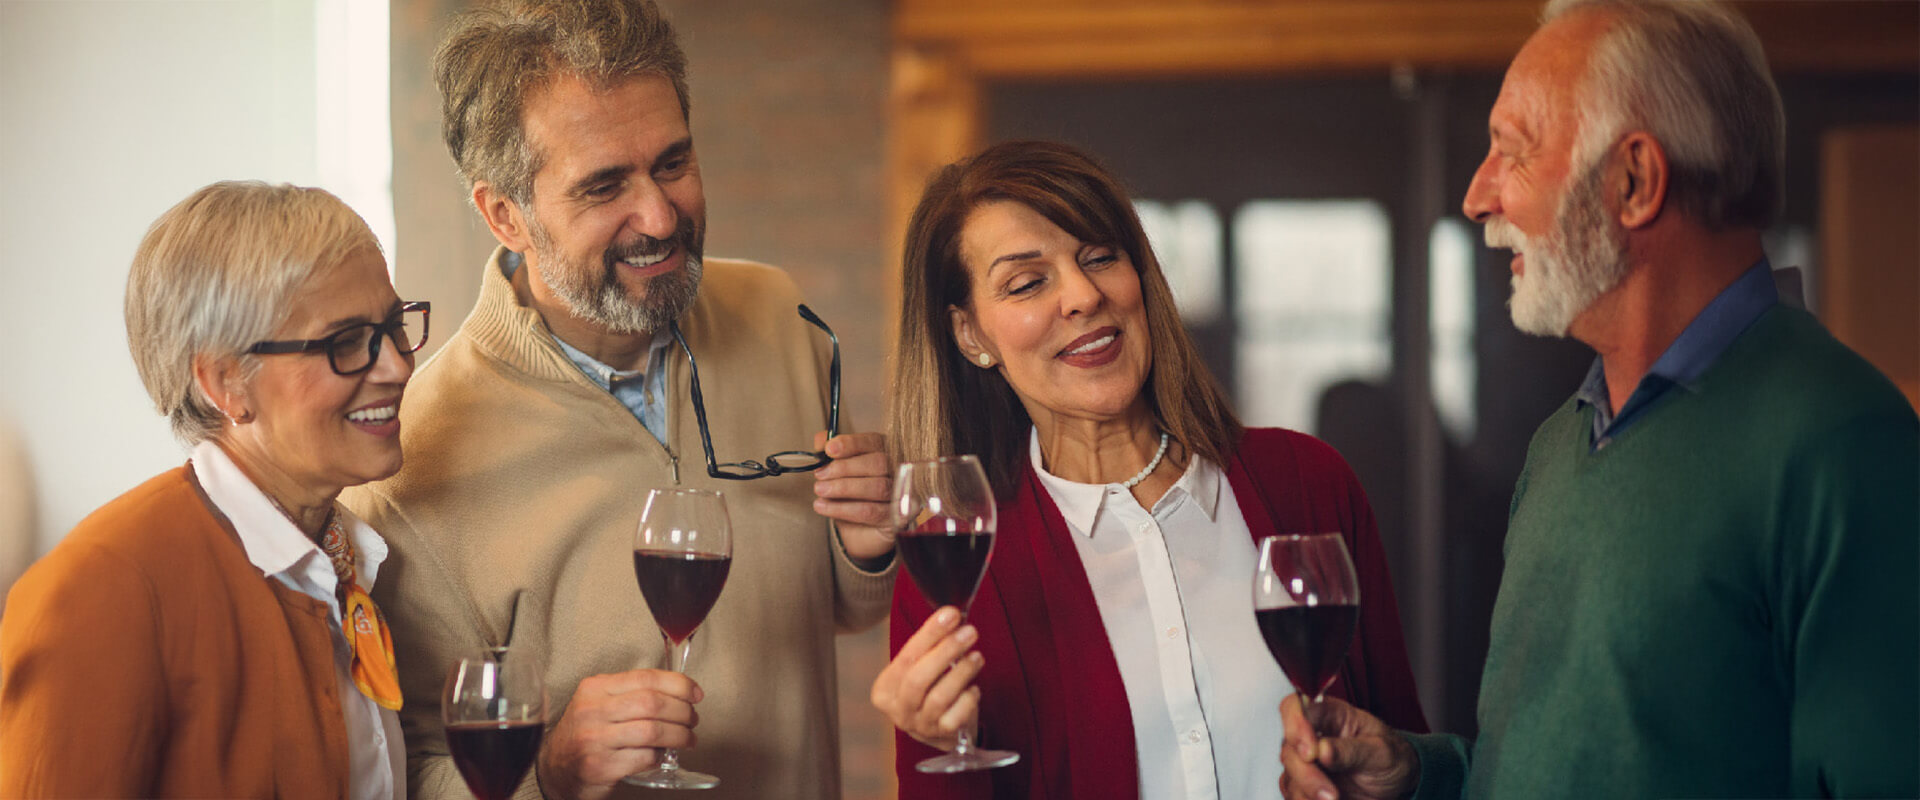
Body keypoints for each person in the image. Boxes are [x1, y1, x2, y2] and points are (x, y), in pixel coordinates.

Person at [1279, 1, 1920, 798]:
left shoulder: (1847, 443)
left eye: (1511, 153)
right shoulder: (1560, 445)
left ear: (1634, 181)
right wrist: (1424, 774)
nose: (1478, 197)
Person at [338, 2, 897, 799]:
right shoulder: (407, 472)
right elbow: (405, 778)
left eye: (673, 163)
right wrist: (550, 771)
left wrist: (866, 546)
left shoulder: (779, 316)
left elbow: (839, 605)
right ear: (505, 215)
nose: (661, 217)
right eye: (605, 186)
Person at [872, 140, 1428, 799]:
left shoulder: (1308, 485)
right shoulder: (961, 571)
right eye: (1028, 283)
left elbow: (1406, 756)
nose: (1082, 295)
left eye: (1100, 256)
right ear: (971, 336)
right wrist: (936, 747)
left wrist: (1395, 776)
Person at [0, 181, 423, 797]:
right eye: (346, 343)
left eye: (392, 326)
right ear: (226, 383)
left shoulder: (340, 556)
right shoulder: (103, 588)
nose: (399, 366)